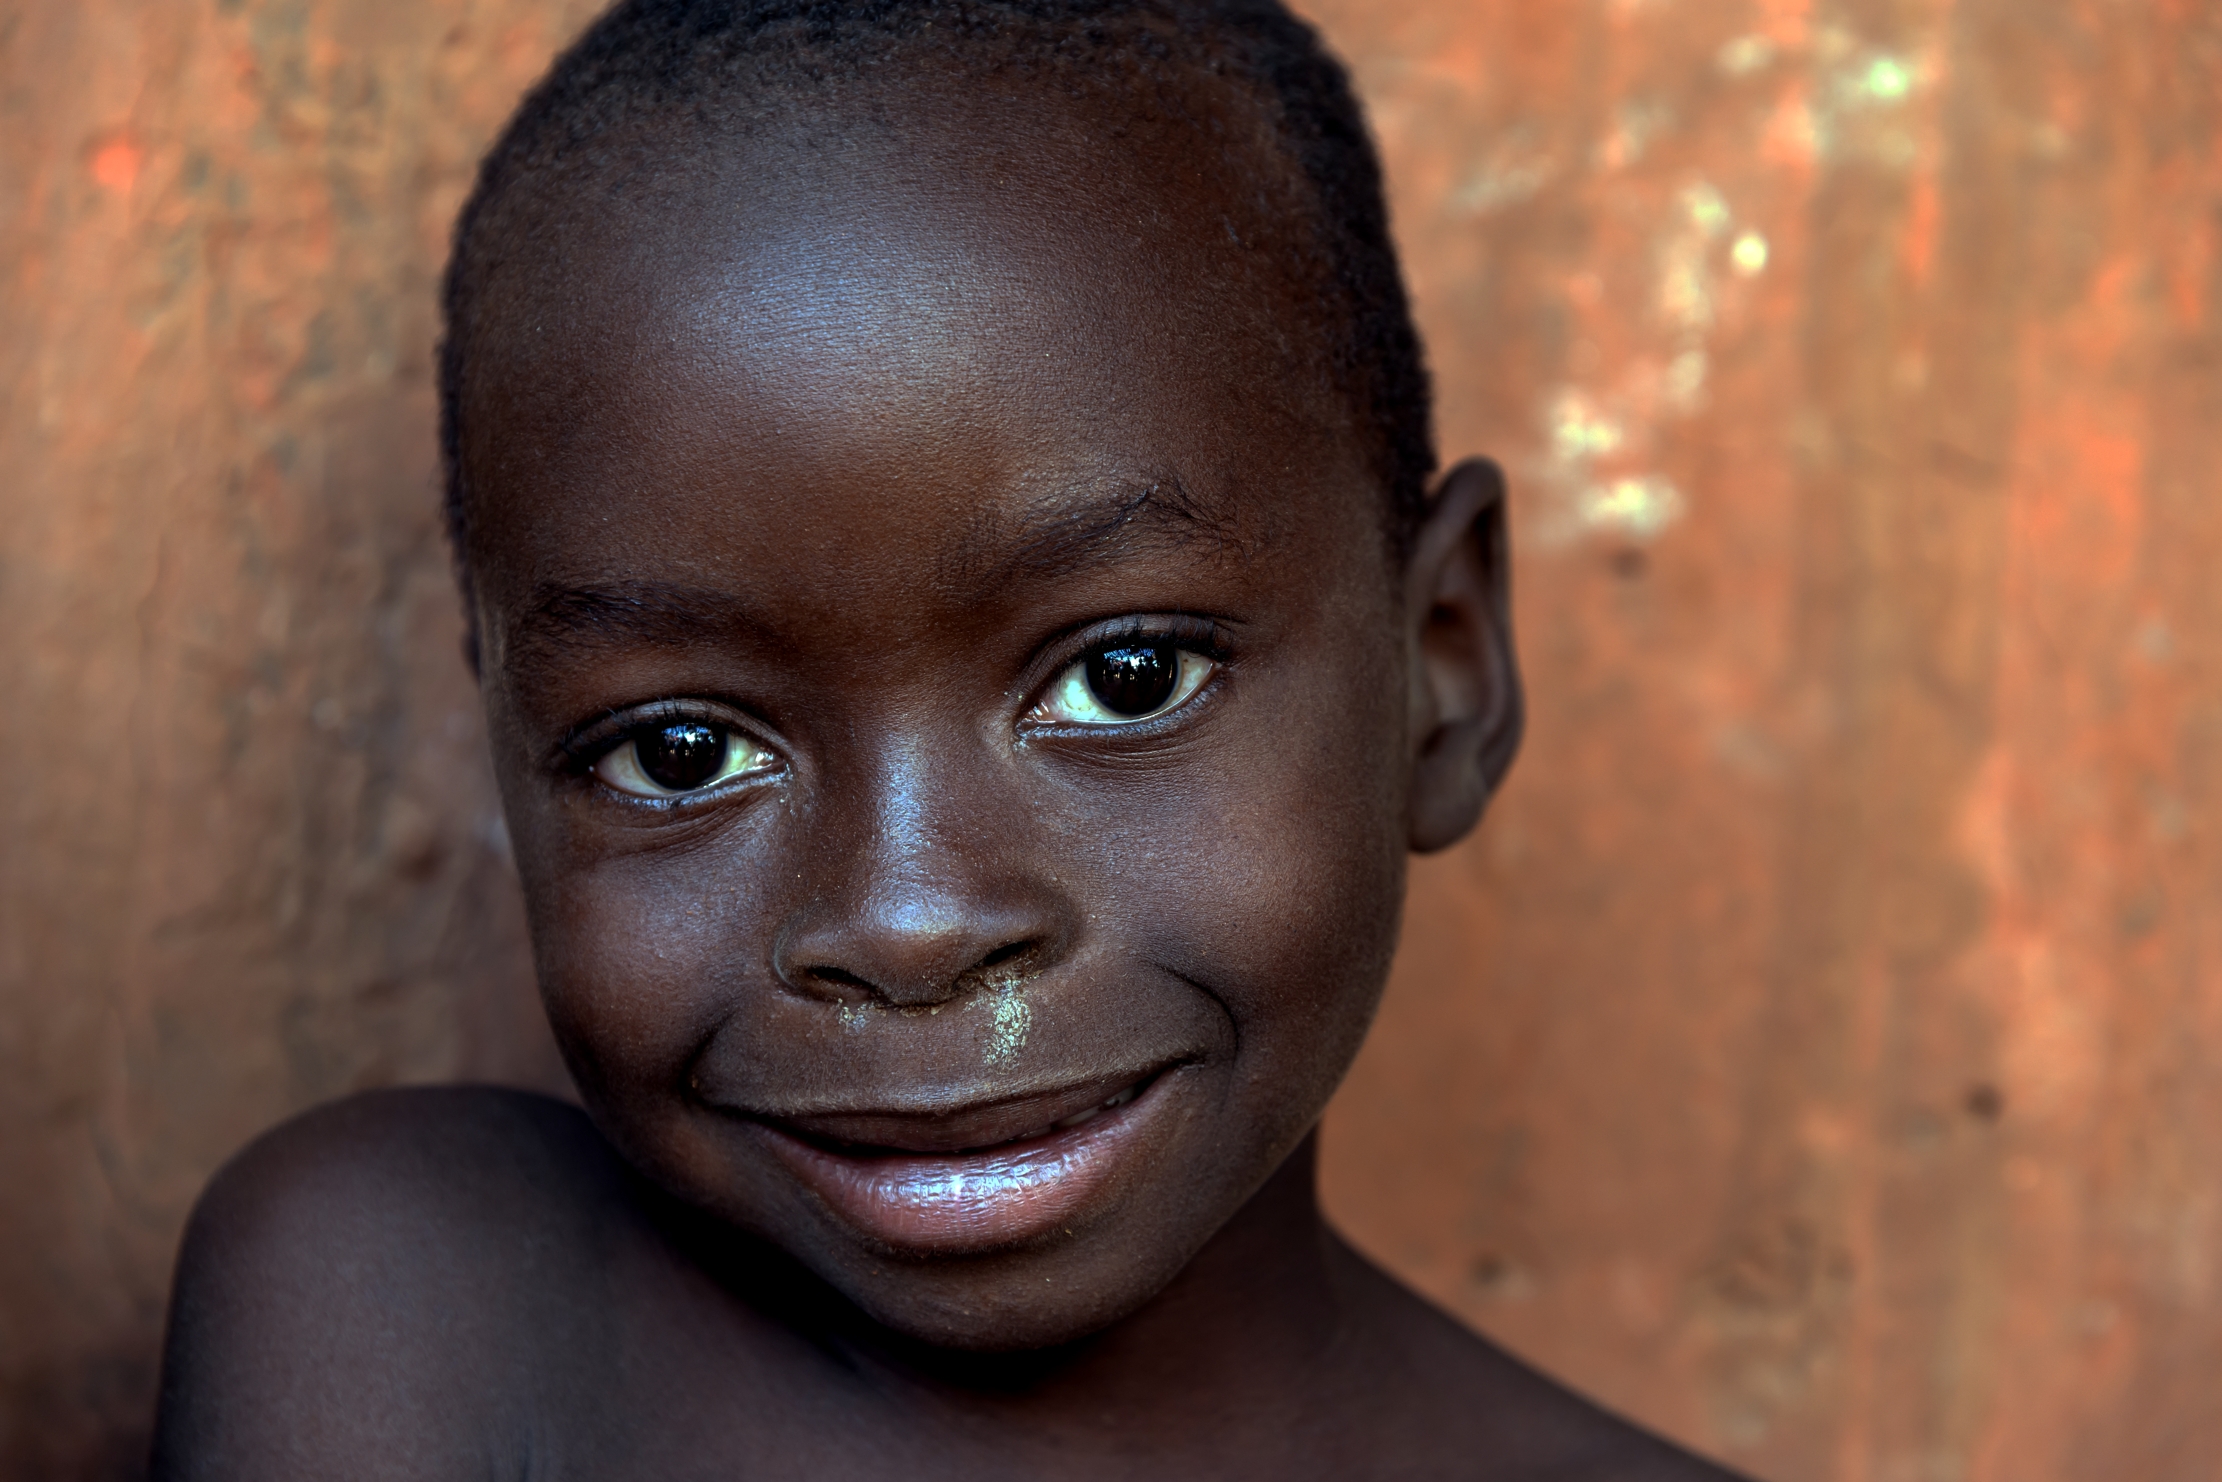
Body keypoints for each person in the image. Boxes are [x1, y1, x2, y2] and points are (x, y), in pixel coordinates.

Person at [151, 2, 1743, 1475]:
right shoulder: (426, 1305)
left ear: (1443, 667)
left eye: (1124, 677)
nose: (906, 919)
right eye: (681, 752)